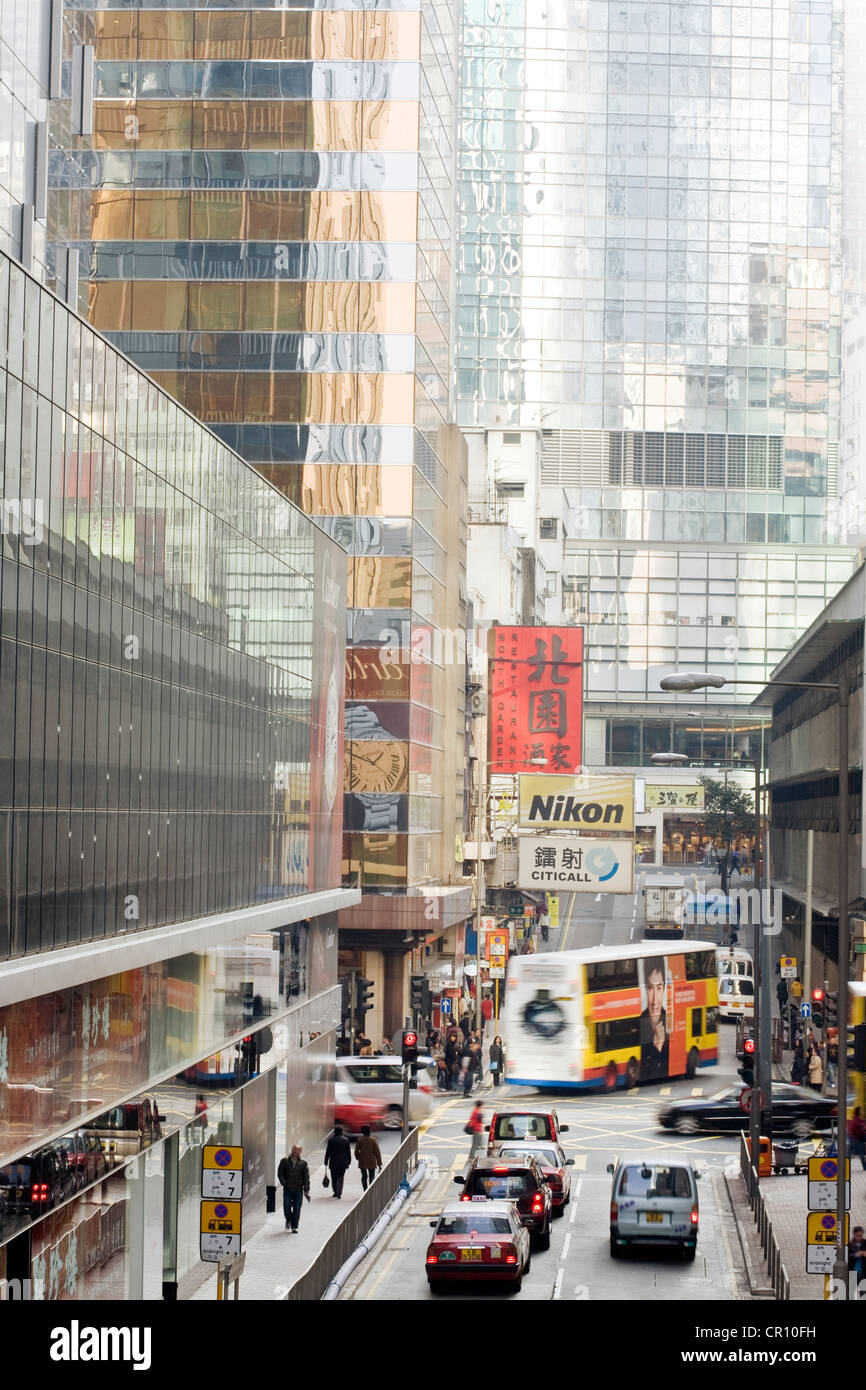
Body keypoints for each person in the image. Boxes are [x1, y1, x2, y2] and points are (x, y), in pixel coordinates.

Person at [639, 956, 669, 1082]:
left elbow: (667, 1072)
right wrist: (656, 1047)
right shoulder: (638, 1024)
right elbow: (644, 1075)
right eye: (650, 988)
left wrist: (660, 1048)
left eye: (659, 988)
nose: (655, 1000)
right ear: (645, 989)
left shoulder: (670, 1022)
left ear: (664, 988)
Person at [277, 1143, 310, 1232]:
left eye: (298, 1150)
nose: (295, 1151)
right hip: (287, 1189)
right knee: (286, 1207)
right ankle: (288, 1219)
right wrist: (284, 1183)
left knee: (297, 1209)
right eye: (294, 1149)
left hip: (298, 1190)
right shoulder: (284, 1161)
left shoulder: (303, 1163)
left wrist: (306, 1190)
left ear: (300, 1152)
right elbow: (280, 1173)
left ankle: (294, 1226)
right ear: (292, 1149)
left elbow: (306, 1178)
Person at [324, 1124, 352, 1199]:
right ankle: (339, 1193)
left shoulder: (331, 1140)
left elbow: (328, 1152)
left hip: (333, 1162)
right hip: (343, 1162)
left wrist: (326, 1161)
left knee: (334, 1177)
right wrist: (349, 1161)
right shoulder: (345, 1140)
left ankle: (335, 1192)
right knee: (340, 1177)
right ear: (341, 1132)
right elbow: (348, 1152)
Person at [354, 1124, 382, 1191]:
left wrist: (359, 1158)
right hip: (372, 1161)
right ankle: (371, 1190)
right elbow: (377, 1152)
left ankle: (365, 1189)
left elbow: (356, 1151)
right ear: (369, 1131)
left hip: (362, 1161)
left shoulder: (360, 1140)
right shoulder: (373, 1140)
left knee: (364, 1176)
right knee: (372, 1176)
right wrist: (379, 1163)